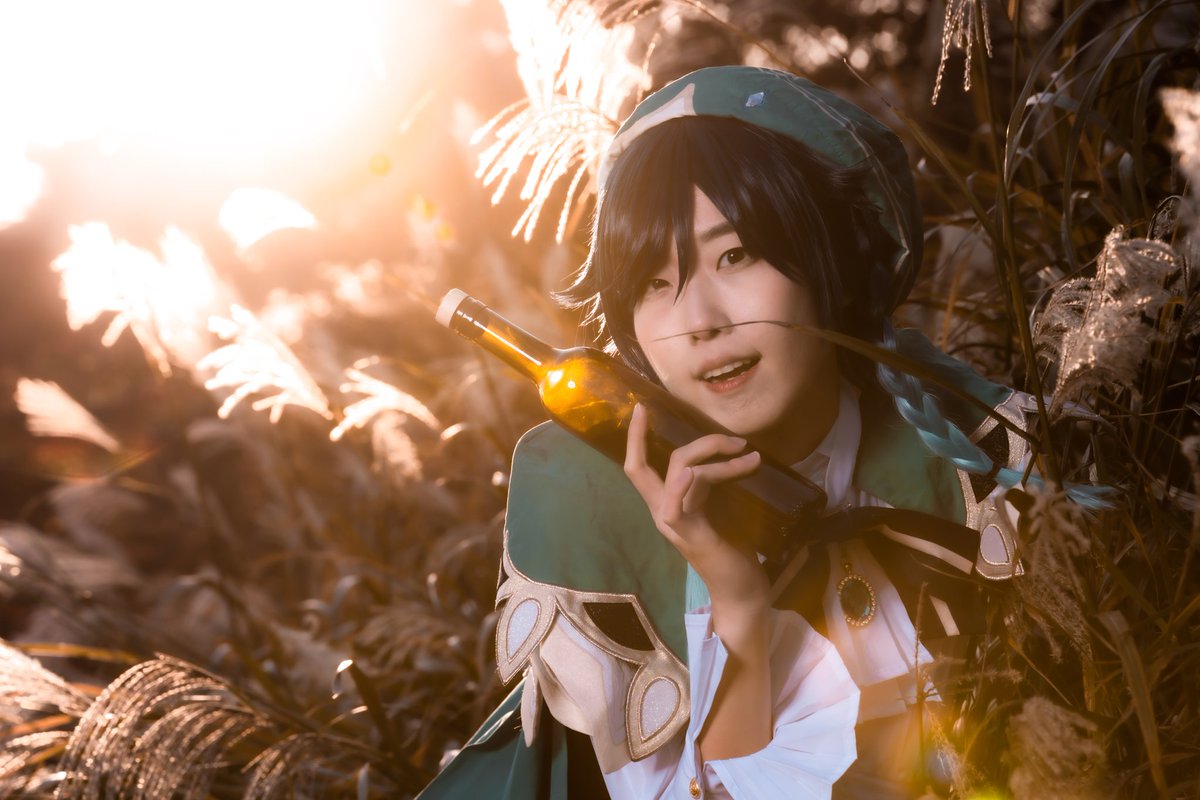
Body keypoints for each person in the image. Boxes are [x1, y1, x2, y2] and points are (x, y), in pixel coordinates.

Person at [420, 66, 1035, 799]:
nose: (700, 321)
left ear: (830, 259)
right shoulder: (592, 509)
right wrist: (736, 600)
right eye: (653, 283)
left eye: (735, 255)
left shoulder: (979, 454)